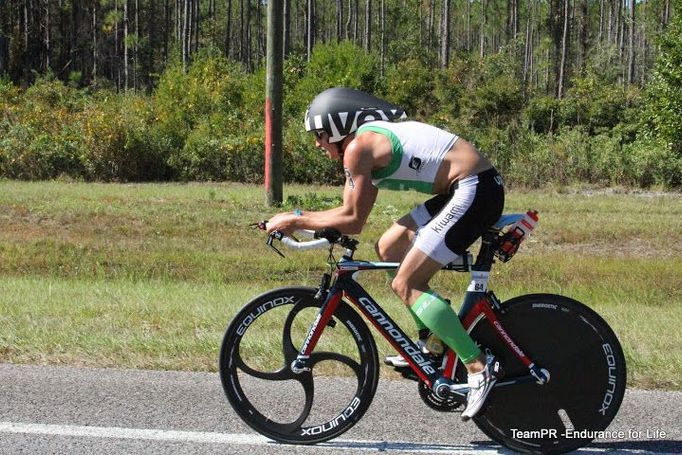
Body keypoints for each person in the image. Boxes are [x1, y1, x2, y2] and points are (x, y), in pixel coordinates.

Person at [266, 87, 505, 420]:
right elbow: (349, 212)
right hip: (468, 186)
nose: (317, 144)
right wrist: (303, 222)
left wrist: (295, 219)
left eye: (320, 135)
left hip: (473, 188)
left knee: (408, 283)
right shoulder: (366, 142)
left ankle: (478, 367)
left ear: (338, 127)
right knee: (390, 246)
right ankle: (432, 343)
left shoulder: (358, 148)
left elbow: (352, 220)